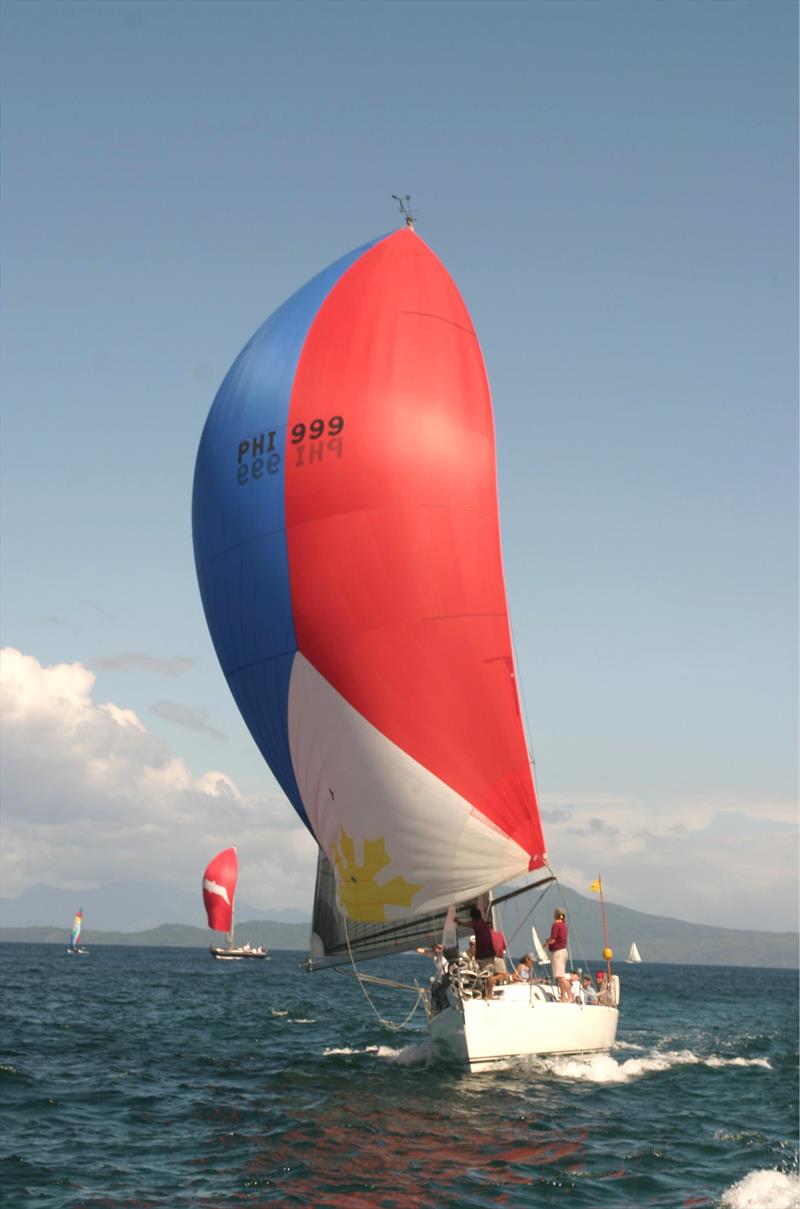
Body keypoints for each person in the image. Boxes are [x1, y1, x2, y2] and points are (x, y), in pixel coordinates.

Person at [546, 909, 573, 1001]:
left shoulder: (556, 925)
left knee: (560, 977)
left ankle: (570, 996)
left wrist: (546, 943)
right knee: (561, 975)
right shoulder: (564, 925)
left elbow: (553, 939)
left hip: (557, 953)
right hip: (563, 951)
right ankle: (562, 997)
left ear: (555, 915)